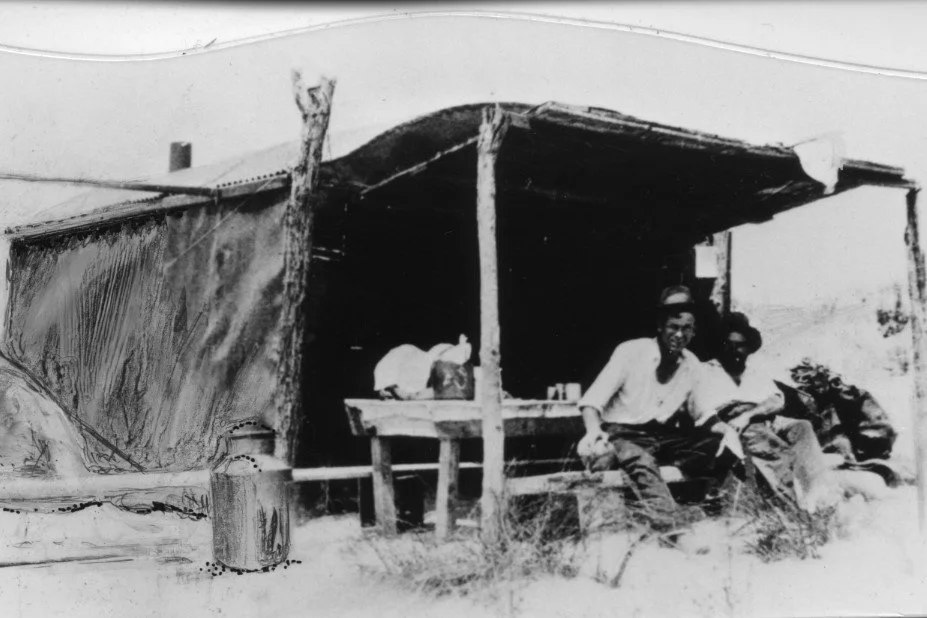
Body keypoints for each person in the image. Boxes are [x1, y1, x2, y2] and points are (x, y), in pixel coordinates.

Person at [576, 286, 742, 531]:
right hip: (623, 432)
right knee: (643, 464)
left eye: (686, 328)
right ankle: (673, 529)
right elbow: (592, 402)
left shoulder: (692, 363)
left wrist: (725, 430)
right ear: (660, 327)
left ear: (694, 332)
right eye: (673, 327)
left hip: (661, 436)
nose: (679, 334)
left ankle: (696, 508)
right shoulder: (631, 351)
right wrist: (592, 431)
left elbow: (703, 413)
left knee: (718, 449)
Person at [699, 312, 838, 511]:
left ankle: (819, 497)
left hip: (759, 417)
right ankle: (791, 509)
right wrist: (741, 418)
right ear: (720, 344)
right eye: (728, 344)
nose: (734, 351)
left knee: (802, 427)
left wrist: (750, 415)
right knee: (773, 448)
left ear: (748, 348)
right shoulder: (707, 370)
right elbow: (704, 408)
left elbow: (777, 400)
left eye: (740, 345)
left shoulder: (754, 372)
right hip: (731, 421)